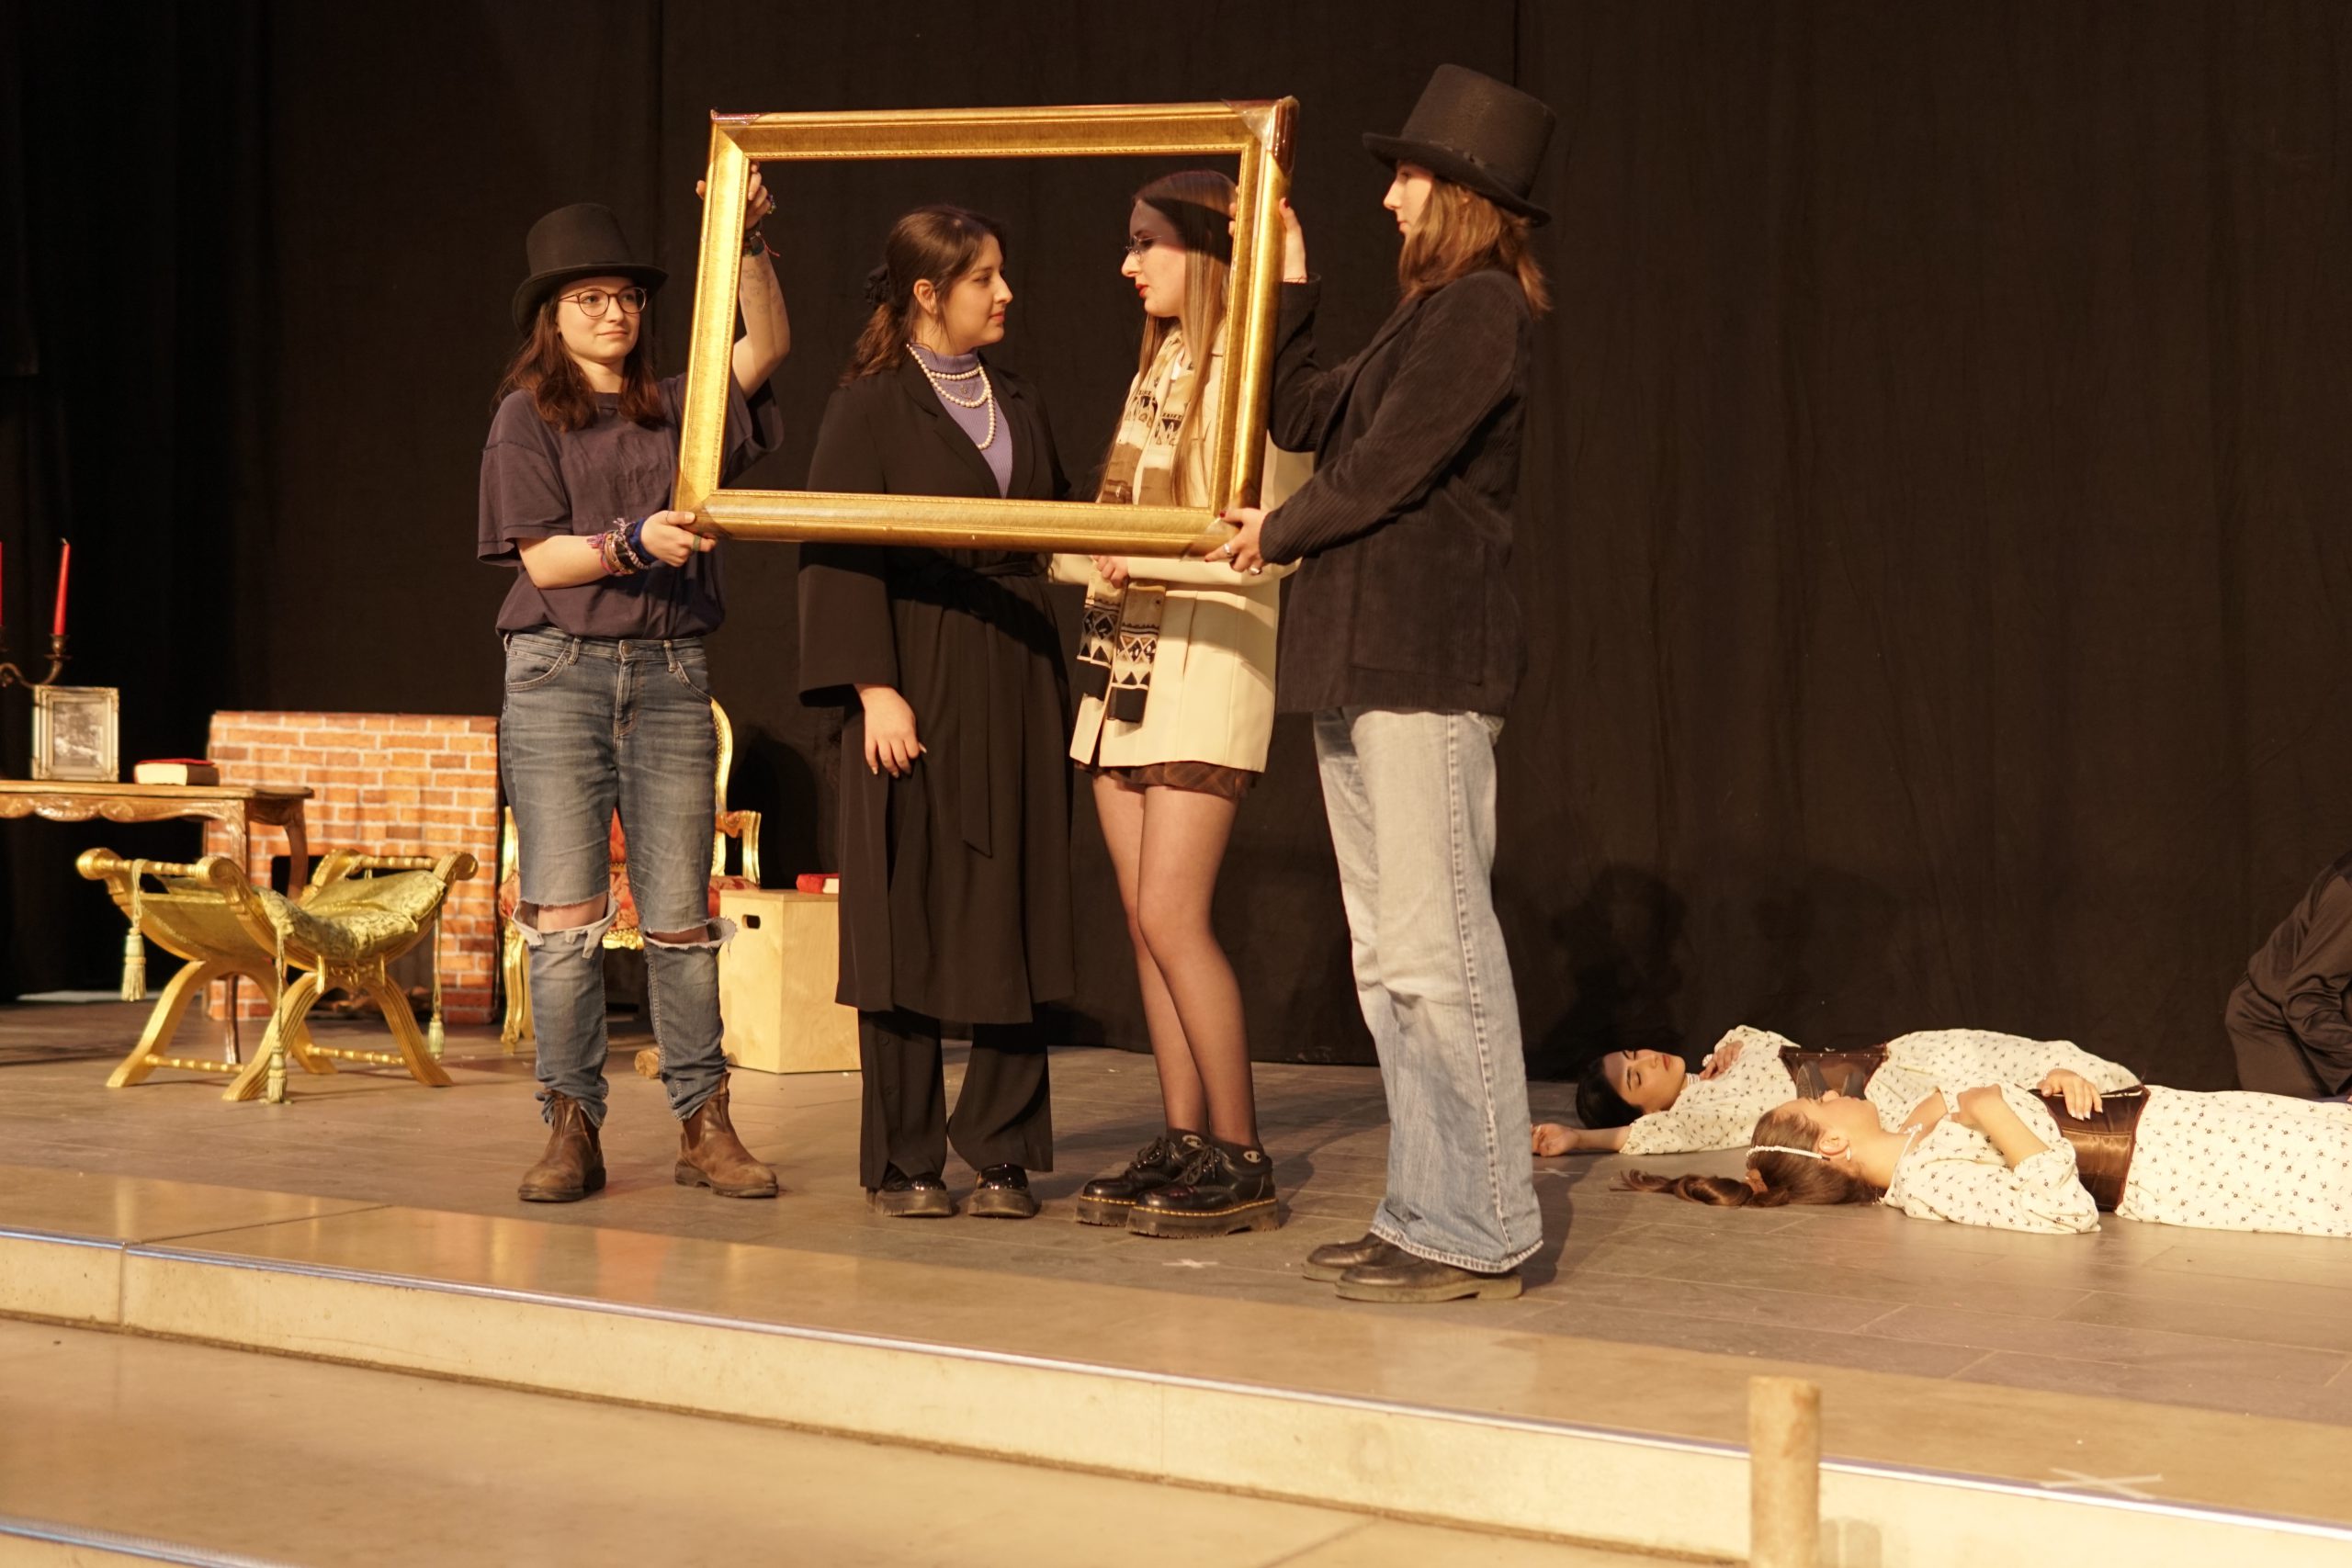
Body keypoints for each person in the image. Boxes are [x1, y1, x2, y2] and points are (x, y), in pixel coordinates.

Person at [1215, 65, 1557, 1303]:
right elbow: (1306, 415)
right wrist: (1286, 284)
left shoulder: (1482, 311)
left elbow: (1388, 470)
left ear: (1458, 193)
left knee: (1437, 948)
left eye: (1407, 177)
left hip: (1422, 659)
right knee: (1389, 961)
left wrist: (1276, 531)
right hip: (1358, 660)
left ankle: (1482, 1225)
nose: (1390, 199)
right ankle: (1425, 1207)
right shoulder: (1424, 316)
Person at [480, 187, 787, 1202]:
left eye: (626, 297)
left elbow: (767, 345)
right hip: (557, 676)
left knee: (680, 919)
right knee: (565, 920)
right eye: (590, 299)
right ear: (552, 317)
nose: (613, 313)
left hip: (667, 672)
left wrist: (746, 241)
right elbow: (545, 560)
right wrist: (633, 540)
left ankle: (705, 1123)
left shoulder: (676, 407)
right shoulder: (526, 417)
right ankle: (571, 1125)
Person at [797, 206, 1074, 1220]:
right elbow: (834, 550)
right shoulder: (869, 406)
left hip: (1014, 663)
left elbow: (1054, 521)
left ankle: (1001, 1148)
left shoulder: (1019, 398)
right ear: (928, 293)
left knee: (1013, 901)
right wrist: (872, 687)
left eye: (1001, 274)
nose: (1005, 293)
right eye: (983, 278)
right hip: (911, 664)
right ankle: (907, 1157)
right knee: (903, 908)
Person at [1050, 172, 1305, 1239]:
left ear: (1202, 251)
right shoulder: (1160, 368)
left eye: (1146, 242)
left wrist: (1137, 562)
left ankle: (1241, 1153)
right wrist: (1079, 554)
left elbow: (1272, 548)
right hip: (1127, 665)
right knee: (1141, 921)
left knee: (1171, 915)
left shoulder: (1254, 373)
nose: (1128, 264)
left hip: (1207, 665)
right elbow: (1117, 530)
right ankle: (1187, 1134)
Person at [1623, 1032, 2352, 1237]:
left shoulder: (1915, 1126)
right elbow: (2060, 1211)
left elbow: (2016, 1095)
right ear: (1832, 1147)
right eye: (1821, 1106)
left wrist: (2056, 1079)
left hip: (2179, 1120)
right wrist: (1996, 1110)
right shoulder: (1924, 1182)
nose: (1833, 1095)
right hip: (2180, 1166)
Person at [1532, 1026, 2141, 1156]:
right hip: (1886, 1098)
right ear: (1642, 1106)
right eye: (1636, 1077)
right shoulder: (1700, 1111)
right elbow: (1647, 1137)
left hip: (1900, 1056)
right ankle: (2123, 1123)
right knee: (2011, 1095)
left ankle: (2129, 1097)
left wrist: (1729, 1046)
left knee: (2031, 1054)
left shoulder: (1724, 1056)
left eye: (1634, 1054)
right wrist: (1579, 1140)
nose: (1647, 1060)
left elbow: (1760, 1035)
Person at [2226, 850, 2352, 1098]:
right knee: (2322, 1122)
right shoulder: (2348, 892)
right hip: (2276, 1022)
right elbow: (2307, 997)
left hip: (2330, 1024)